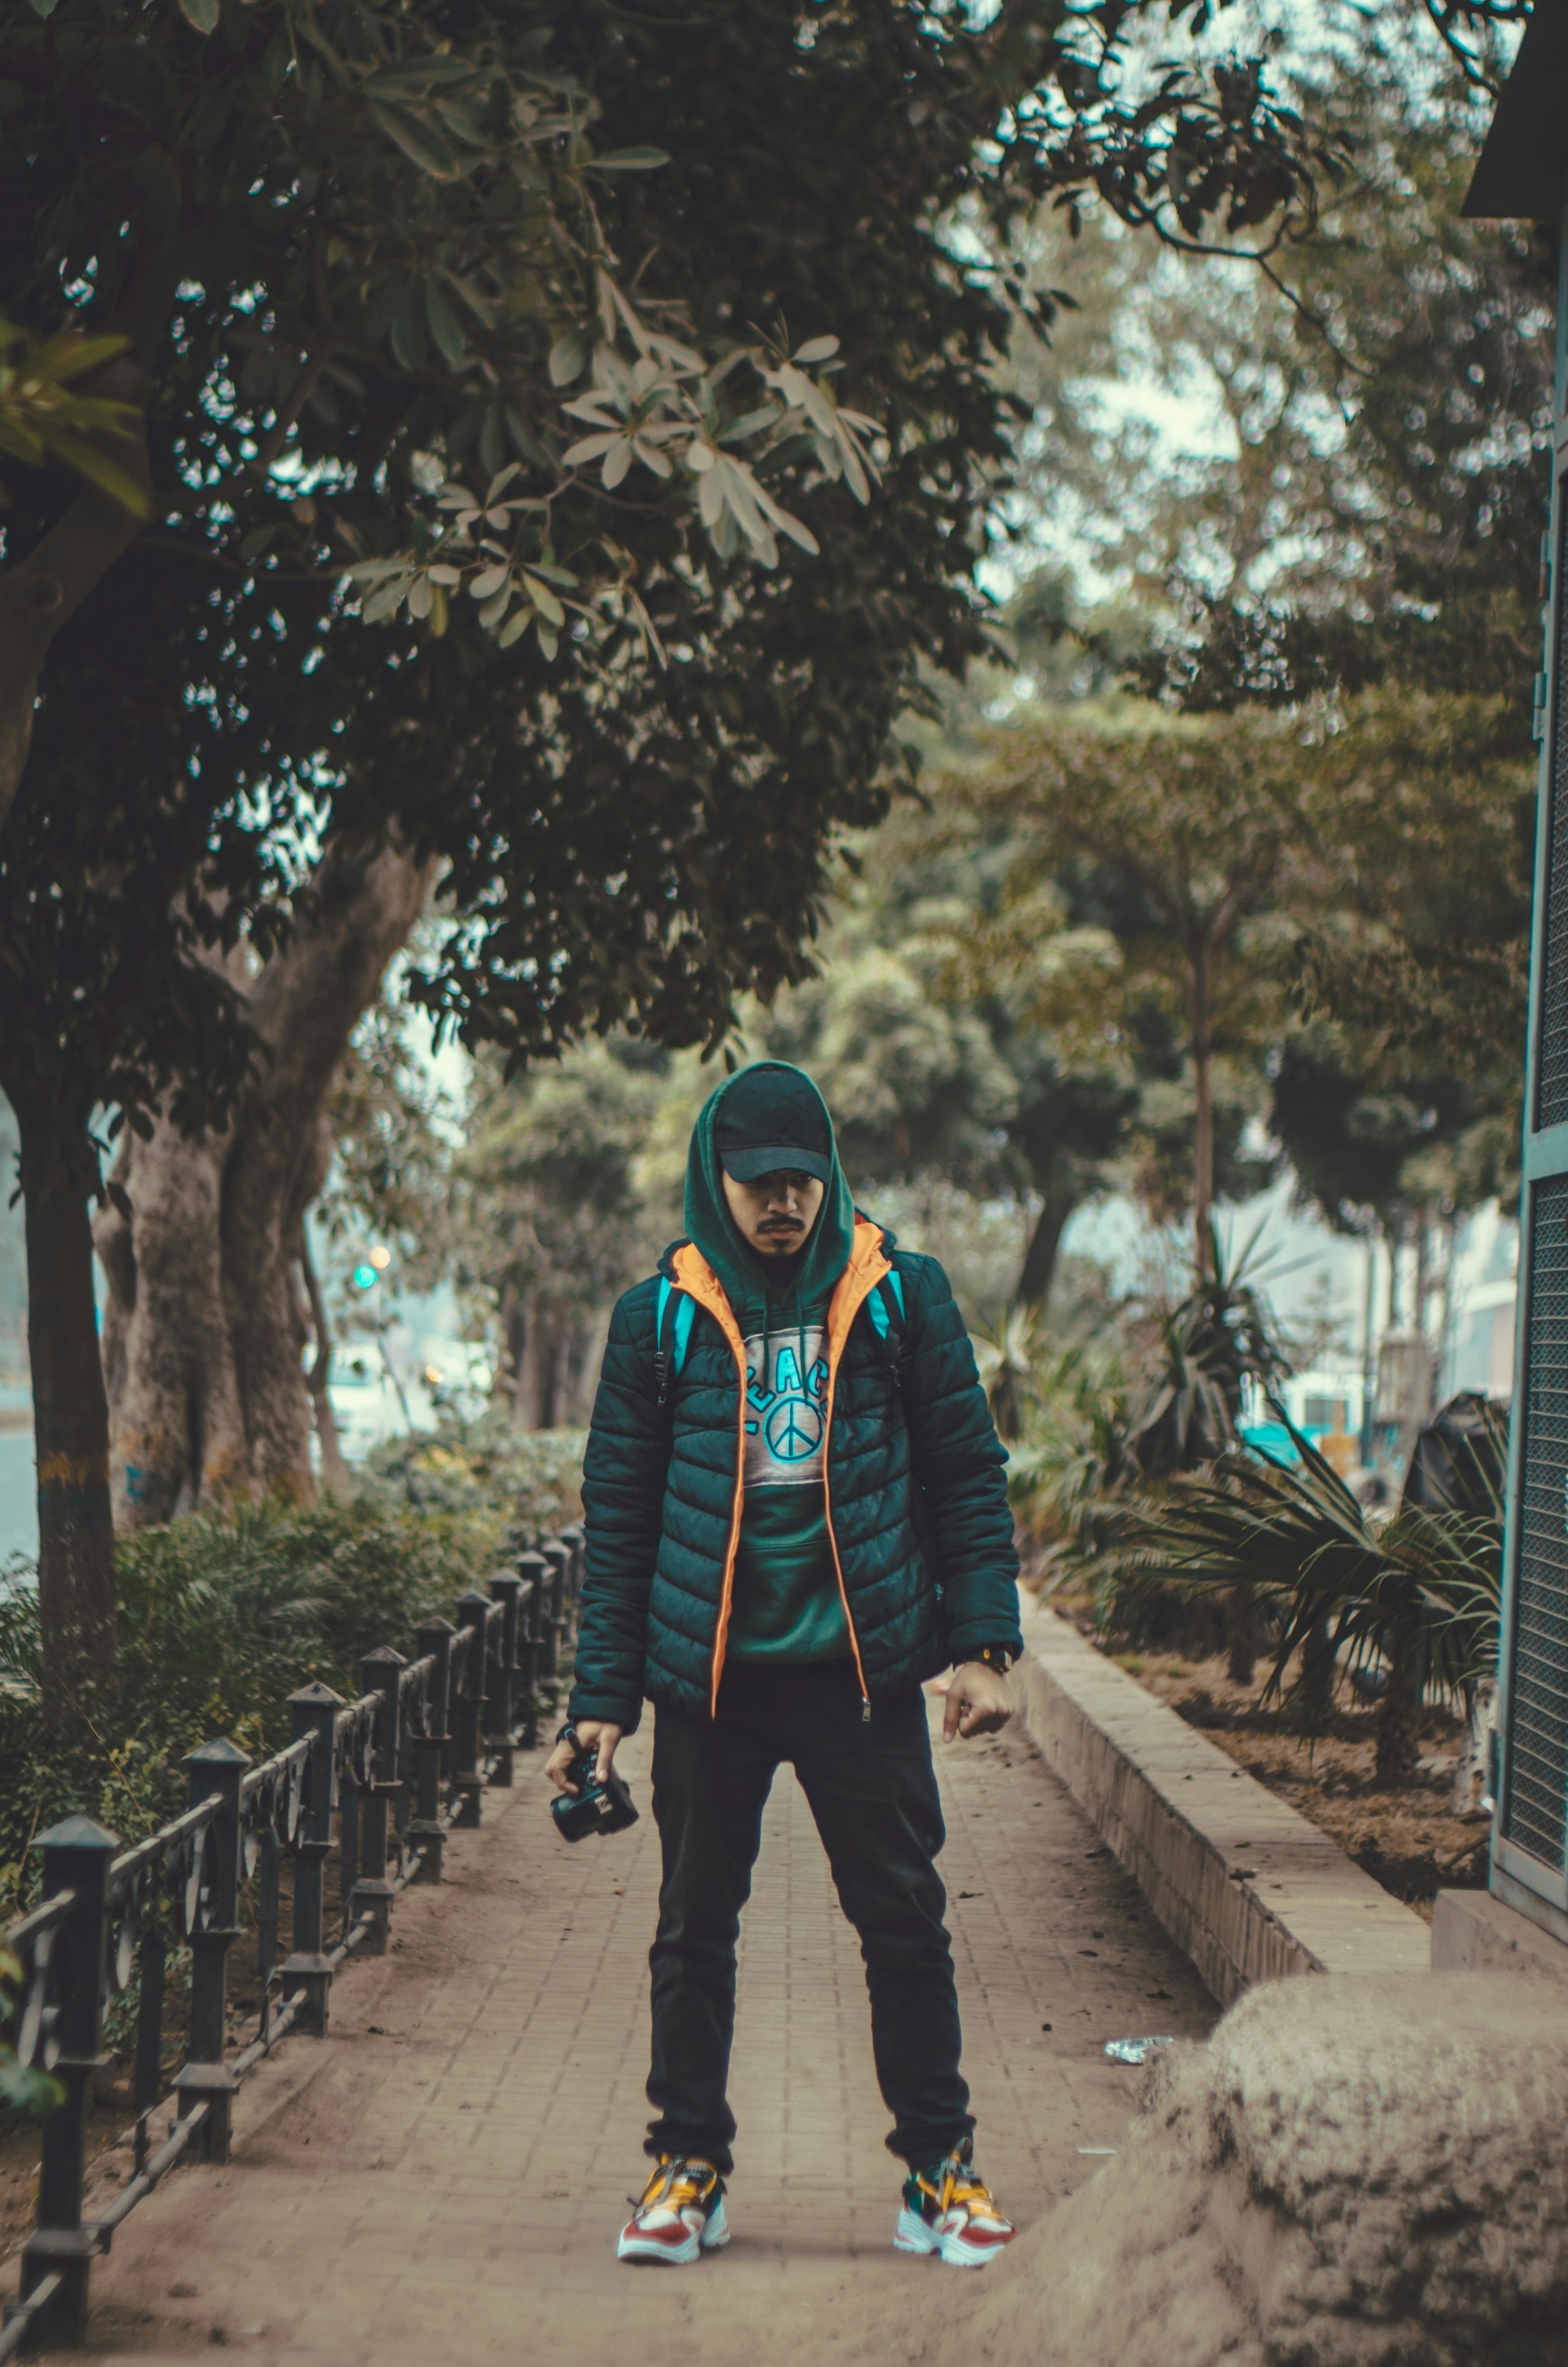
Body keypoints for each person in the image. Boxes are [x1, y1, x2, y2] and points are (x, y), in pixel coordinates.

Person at [547, 1061, 1024, 2269]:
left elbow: (964, 1475)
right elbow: (620, 1518)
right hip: (710, 1683)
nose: (783, 1205)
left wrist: (981, 1647)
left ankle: (938, 2173)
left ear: (828, 1177)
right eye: (760, 1182)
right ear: (716, 1173)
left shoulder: (898, 1295)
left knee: (904, 1923)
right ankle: (686, 2170)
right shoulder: (657, 1316)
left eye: (802, 1182)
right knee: (692, 1929)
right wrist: (601, 1701)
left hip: (855, 1674)